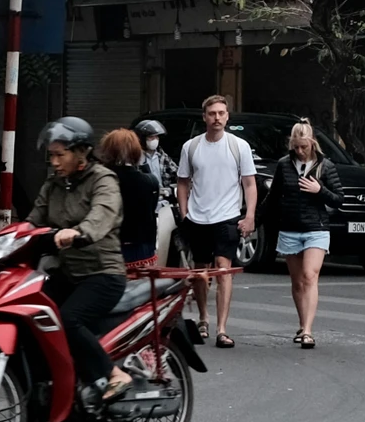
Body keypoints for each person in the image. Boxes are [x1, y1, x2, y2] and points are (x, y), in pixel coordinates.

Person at [26, 117, 132, 403]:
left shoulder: (104, 180)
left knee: (68, 320)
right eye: (52, 155)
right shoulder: (54, 185)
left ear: (81, 152)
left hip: (103, 274)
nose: (55, 162)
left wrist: (78, 232)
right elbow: (32, 221)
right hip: (67, 272)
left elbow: (102, 214)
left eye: (61, 155)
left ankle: (114, 374)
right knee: (30, 313)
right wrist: (6, 241)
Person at [175, 94, 256, 348]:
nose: (217, 118)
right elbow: (182, 182)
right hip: (198, 218)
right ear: (204, 117)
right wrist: (184, 211)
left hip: (227, 217)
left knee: (223, 269)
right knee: (200, 272)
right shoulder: (191, 147)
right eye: (212, 114)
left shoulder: (238, 146)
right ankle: (203, 318)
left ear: (228, 116)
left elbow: (249, 183)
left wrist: (250, 215)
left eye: (221, 113)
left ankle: (222, 329)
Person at [266, 120, 343, 349]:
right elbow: (273, 197)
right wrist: (253, 220)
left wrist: (320, 190)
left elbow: (338, 198)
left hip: (316, 229)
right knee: (297, 282)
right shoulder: (284, 165)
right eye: (296, 147)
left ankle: (308, 331)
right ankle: (302, 324)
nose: (299, 151)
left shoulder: (325, 166)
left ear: (312, 144)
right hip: (290, 228)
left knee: (310, 276)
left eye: (304, 147)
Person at [99, 127, 162, 268]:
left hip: (110, 246)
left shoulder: (101, 180)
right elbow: (152, 208)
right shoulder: (150, 181)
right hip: (143, 246)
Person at [136, 119, 176, 263]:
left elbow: (176, 173)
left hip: (163, 204)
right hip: (145, 206)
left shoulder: (162, 156)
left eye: (157, 137)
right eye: (151, 138)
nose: (155, 141)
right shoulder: (136, 158)